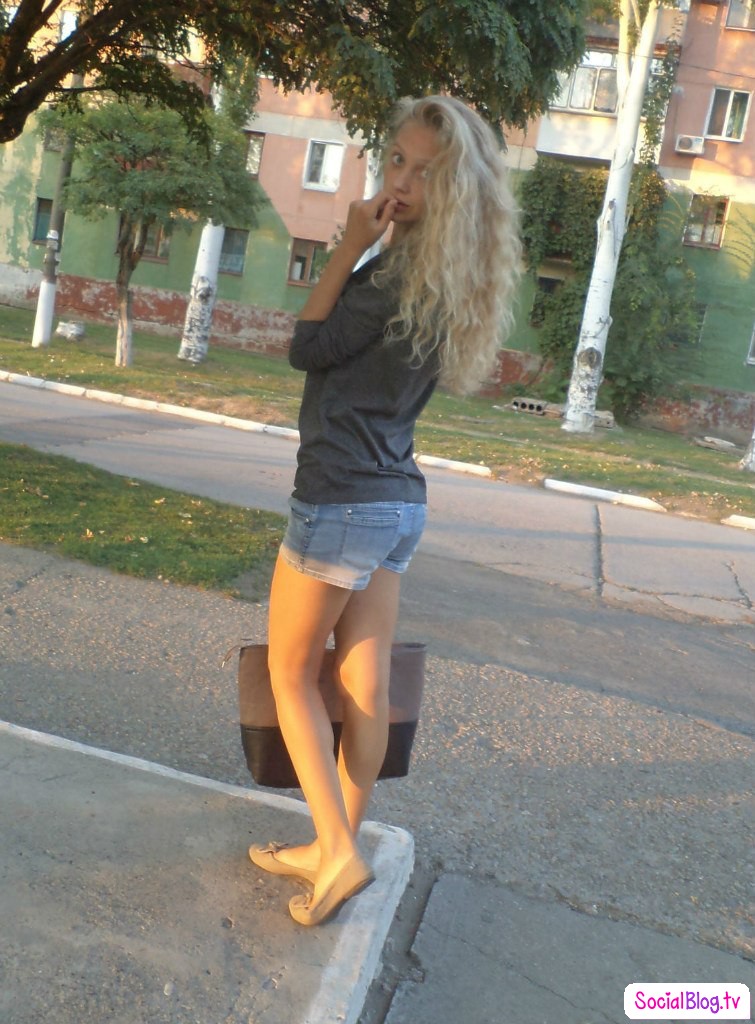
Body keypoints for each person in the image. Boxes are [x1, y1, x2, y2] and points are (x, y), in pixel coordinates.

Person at [249, 95, 521, 926]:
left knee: (290, 674)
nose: (398, 181)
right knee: (362, 684)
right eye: (395, 160)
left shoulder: (394, 276)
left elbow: (307, 348)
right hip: (396, 504)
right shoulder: (448, 278)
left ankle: (336, 852)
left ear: (454, 189)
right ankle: (336, 842)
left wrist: (347, 247)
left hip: (340, 498)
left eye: (422, 172)